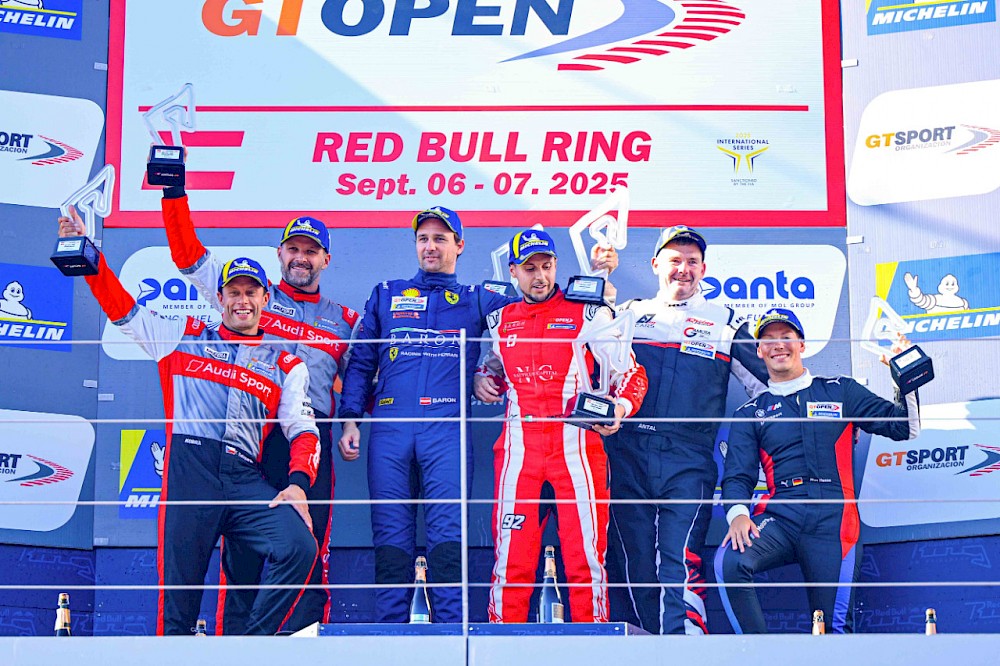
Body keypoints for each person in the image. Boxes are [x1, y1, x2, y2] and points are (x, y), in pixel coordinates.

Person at [58, 207, 320, 635]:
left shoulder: (286, 364)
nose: (242, 300)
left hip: (244, 477)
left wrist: (298, 484)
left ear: (265, 299)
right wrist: (87, 253)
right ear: (220, 298)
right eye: (233, 292)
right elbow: (120, 307)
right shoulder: (182, 337)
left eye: (251, 292)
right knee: (178, 603)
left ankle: (253, 647)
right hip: (189, 473)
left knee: (298, 546)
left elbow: (304, 430)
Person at [160, 182, 357, 632]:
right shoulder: (251, 294)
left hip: (308, 438)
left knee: (308, 544)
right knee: (243, 556)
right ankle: (238, 645)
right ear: (279, 254)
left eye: (311, 251)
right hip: (255, 437)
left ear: (326, 259)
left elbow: (362, 376)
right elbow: (187, 253)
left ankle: (303, 643)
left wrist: (351, 421)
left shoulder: (346, 320)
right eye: (293, 249)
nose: (301, 258)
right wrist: (173, 190)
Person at [336, 206, 516, 623]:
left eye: (440, 238)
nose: (430, 247)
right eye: (423, 239)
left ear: (459, 245)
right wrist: (350, 419)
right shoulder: (386, 293)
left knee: (448, 538)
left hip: (447, 430)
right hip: (390, 429)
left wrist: (485, 370)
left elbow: (532, 313)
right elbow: (361, 362)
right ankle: (390, 636)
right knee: (390, 538)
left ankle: (452, 634)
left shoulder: (477, 297)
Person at [474, 229, 648, 623]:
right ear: (513, 271)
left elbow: (630, 372)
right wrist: (482, 378)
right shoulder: (500, 321)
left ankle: (592, 642)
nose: (540, 277)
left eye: (547, 266)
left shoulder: (588, 313)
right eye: (530, 268)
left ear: (556, 266)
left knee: (585, 559)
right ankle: (502, 646)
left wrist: (619, 408)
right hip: (519, 452)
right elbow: (494, 369)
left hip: (577, 449)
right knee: (511, 562)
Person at [714, 308, 922, 634]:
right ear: (759, 351)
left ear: (802, 344)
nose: (778, 345)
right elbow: (738, 475)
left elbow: (903, 427)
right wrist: (738, 514)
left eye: (786, 337)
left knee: (831, 630)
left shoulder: (841, 390)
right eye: (768, 340)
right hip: (781, 516)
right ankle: (757, 654)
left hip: (834, 520)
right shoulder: (750, 413)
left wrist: (905, 375)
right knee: (730, 561)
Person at [603, 225, 768, 634]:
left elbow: (769, 387)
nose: (683, 269)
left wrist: (819, 412)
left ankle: (685, 648)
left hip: (688, 459)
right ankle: (646, 646)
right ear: (655, 264)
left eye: (692, 261)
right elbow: (584, 365)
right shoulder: (628, 314)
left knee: (680, 559)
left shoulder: (724, 322)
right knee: (635, 562)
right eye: (674, 260)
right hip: (626, 454)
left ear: (703, 269)